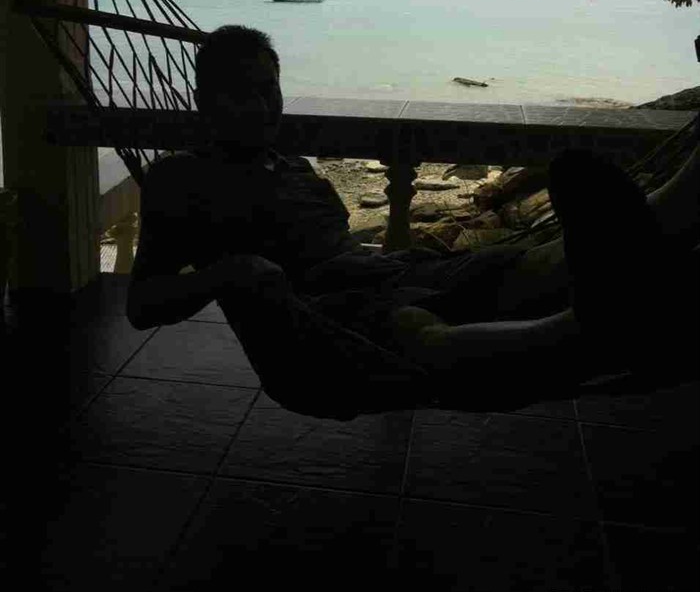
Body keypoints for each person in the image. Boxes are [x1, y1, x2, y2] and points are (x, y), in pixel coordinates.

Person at [127, 25, 699, 418]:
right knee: (418, 336)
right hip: (323, 325)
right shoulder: (181, 178)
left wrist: (382, 260)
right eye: (241, 93)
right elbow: (143, 304)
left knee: (514, 264)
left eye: (268, 88)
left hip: (392, 272)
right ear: (204, 99)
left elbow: (335, 244)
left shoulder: (294, 164)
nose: (262, 105)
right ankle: (592, 333)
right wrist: (227, 274)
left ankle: (675, 207)